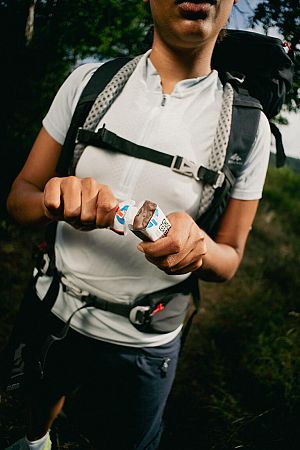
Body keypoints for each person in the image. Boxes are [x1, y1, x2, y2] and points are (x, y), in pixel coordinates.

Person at [5, 0, 271, 449]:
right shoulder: (88, 83)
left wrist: (200, 248)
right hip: (50, 306)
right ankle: (38, 441)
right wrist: (52, 201)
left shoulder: (250, 127)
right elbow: (19, 198)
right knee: (36, 404)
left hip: (145, 343)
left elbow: (229, 260)